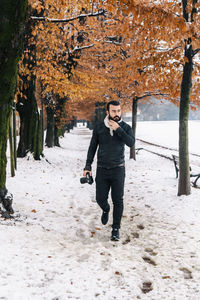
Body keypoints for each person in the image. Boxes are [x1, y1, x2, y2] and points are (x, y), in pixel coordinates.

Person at [83, 100, 135, 241]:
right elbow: (92, 147)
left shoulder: (125, 127)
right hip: (102, 169)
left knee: (118, 200)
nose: (116, 113)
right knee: (100, 198)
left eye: (118, 111)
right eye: (113, 111)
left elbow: (131, 142)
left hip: (118, 169)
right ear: (108, 112)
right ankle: (105, 209)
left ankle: (115, 229)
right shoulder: (99, 127)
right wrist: (87, 166)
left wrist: (118, 129)